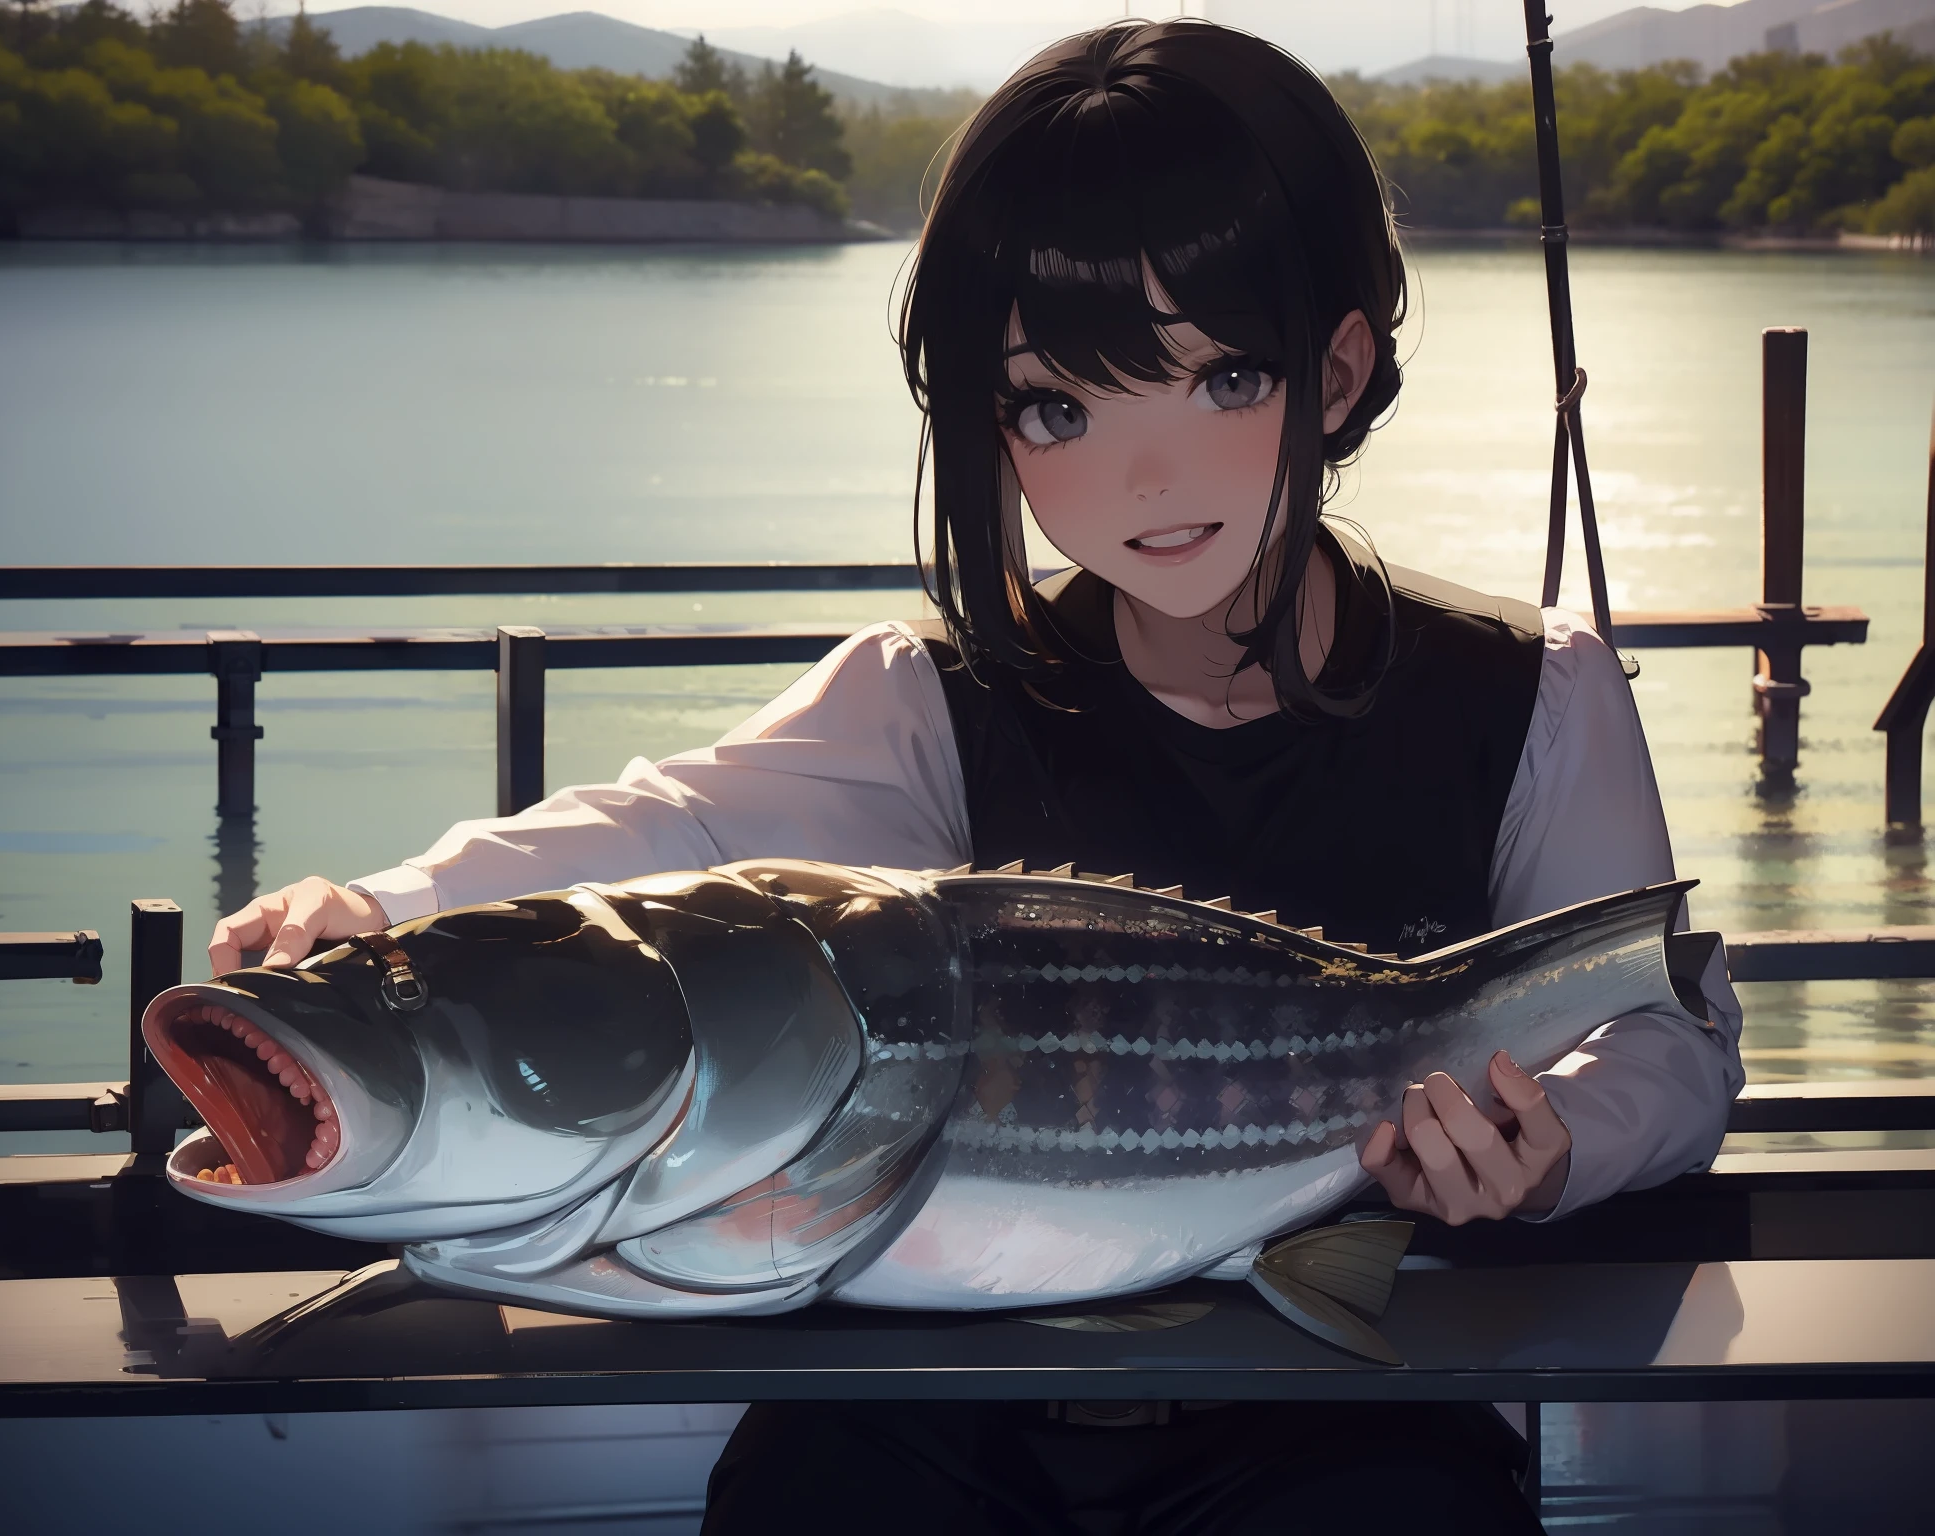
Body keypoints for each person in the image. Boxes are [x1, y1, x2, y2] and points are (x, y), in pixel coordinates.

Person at [210, 20, 1743, 1534]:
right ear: (989, 423)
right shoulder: (930, 697)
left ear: (1339, 371)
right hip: (924, 1402)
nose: (1146, 474)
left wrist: (1550, 1157)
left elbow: (1666, 1037)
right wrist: (382, 910)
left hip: (1343, 1403)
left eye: (1223, 377)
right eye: (1058, 405)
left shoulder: (1530, 688)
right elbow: (670, 828)